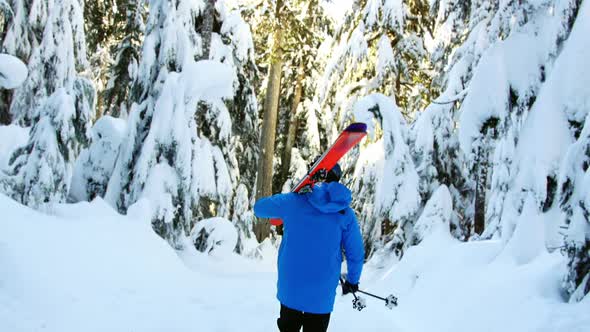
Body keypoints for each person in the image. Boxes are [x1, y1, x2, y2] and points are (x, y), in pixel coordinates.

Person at [254, 164, 365, 332]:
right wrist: (352, 281)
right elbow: (355, 253)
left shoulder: (293, 201)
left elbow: (259, 208)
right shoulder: (345, 214)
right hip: (322, 291)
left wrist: (291, 197)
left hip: (291, 287)